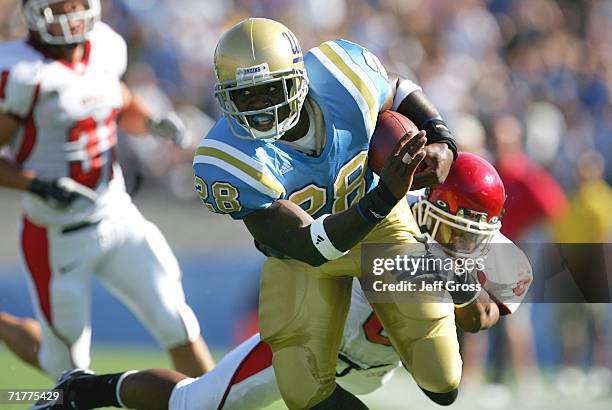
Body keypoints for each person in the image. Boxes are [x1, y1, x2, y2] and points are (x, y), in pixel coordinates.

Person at [30, 153, 533, 410]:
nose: (460, 243)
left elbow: (480, 315)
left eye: (470, 235)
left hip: (371, 364)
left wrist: (452, 274)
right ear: (428, 207)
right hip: (315, 339)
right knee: (194, 403)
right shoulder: (390, 230)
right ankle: (84, 391)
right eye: (450, 229)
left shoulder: (504, 262)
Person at [192, 17, 468, 409]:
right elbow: (310, 246)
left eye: (271, 90)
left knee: (443, 377)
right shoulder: (227, 159)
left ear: (299, 79)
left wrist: (442, 139)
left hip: (382, 229)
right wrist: (383, 197)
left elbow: (397, 88)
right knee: (302, 390)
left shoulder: (344, 77)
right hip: (303, 257)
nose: (261, 109)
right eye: (245, 97)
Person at [0, 0, 214, 378]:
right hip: (57, 235)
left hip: (118, 215)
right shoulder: (18, 72)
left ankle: (216, 403)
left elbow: (118, 101)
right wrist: (36, 185)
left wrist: (152, 123)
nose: (70, 17)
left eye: (75, 5)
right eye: (59, 9)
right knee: (66, 369)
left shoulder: (106, 44)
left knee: (178, 323)